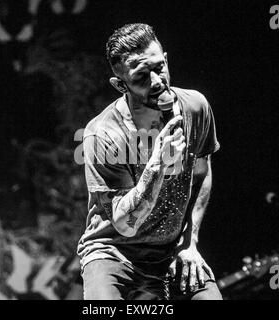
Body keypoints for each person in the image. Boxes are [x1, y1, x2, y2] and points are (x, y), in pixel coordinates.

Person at [77, 23, 222, 300]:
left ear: (166, 59)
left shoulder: (196, 106)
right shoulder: (102, 134)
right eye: (141, 76)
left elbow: (202, 171)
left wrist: (190, 242)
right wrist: (156, 166)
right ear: (121, 85)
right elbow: (125, 225)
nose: (156, 81)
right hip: (114, 252)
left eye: (159, 67)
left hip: (170, 250)